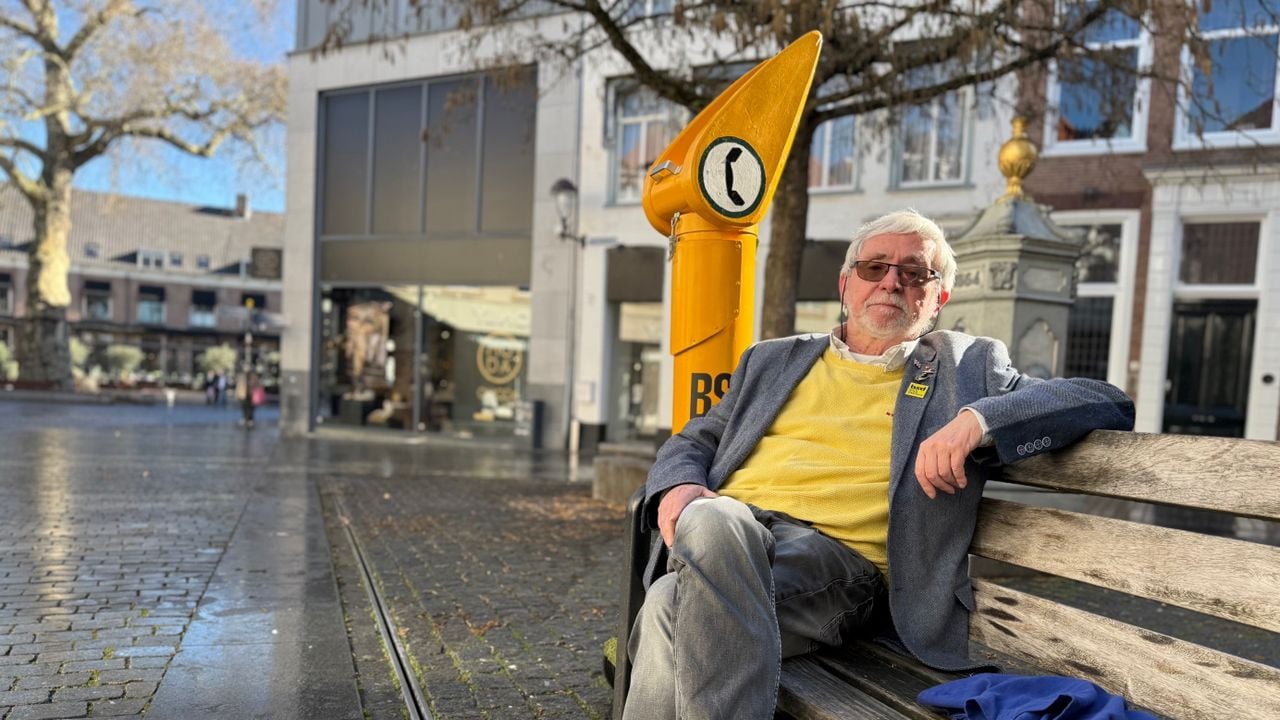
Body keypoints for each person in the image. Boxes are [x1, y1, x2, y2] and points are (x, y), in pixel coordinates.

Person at [623, 209, 1135, 720]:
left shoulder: (968, 365)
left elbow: (1106, 401)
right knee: (681, 582)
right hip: (730, 541)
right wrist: (679, 485)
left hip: (837, 568)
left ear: (938, 299)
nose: (892, 282)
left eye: (915, 273)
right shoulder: (771, 360)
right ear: (846, 284)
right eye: (875, 267)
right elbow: (695, 439)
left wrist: (978, 421)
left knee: (691, 563)